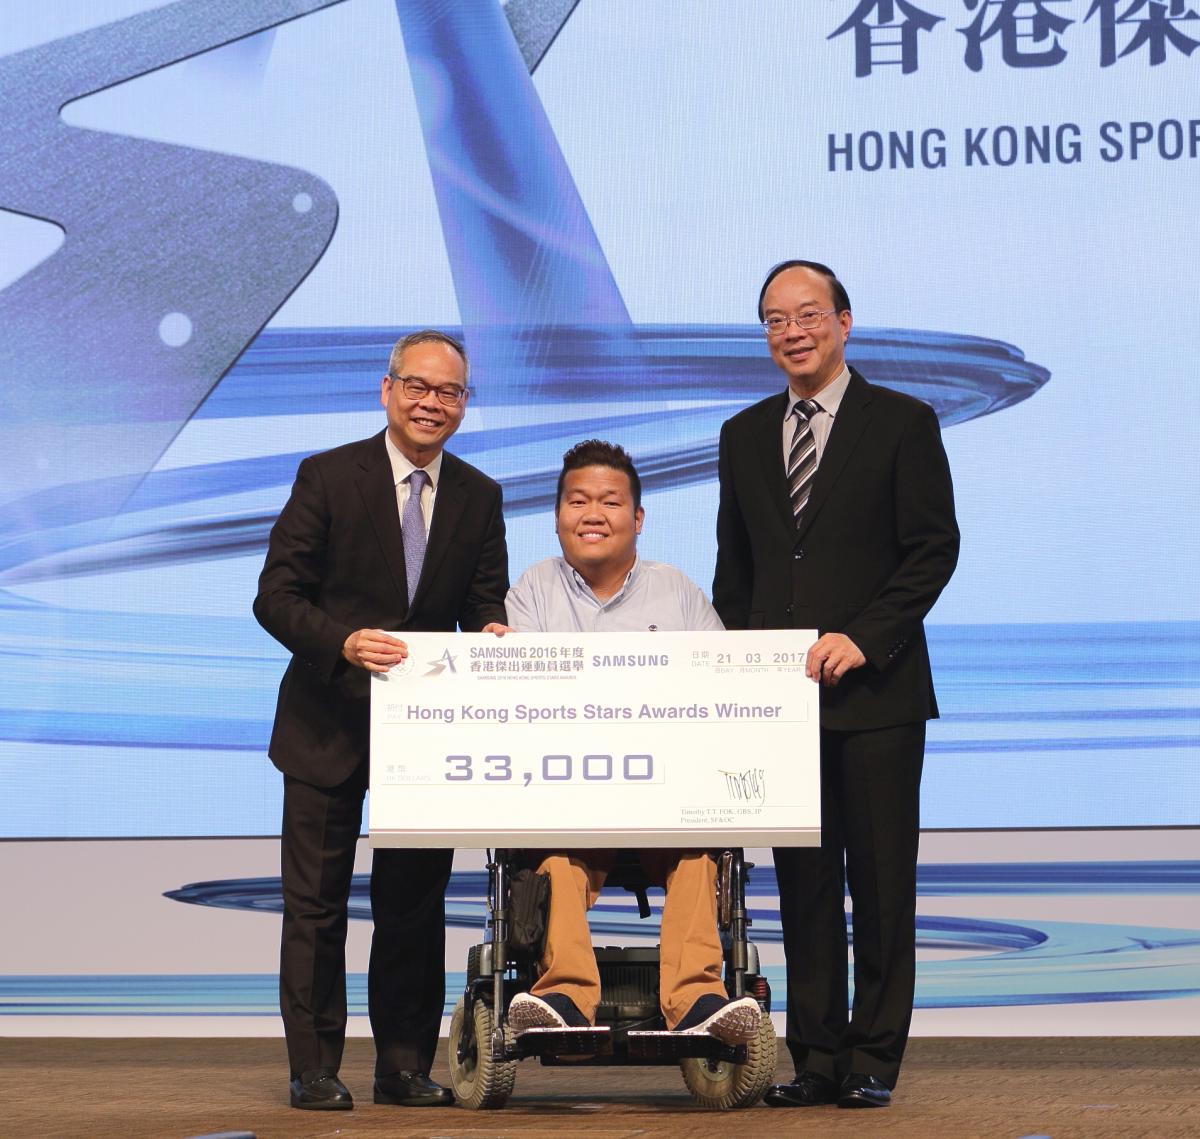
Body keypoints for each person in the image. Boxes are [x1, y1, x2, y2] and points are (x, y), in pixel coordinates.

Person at [713, 261, 959, 1108]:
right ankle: (815, 1055)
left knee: (882, 885)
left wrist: (864, 635)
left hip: (878, 695)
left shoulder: (902, 422)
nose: (793, 331)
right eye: (776, 320)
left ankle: (873, 1059)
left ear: (845, 323)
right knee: (804, 887)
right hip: (781, 706)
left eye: (808, 314)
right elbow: (735, 572)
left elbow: (933, 548)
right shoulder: (743, 433)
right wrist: (744, 670)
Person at [254, 329, 509, 1111]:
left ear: (465, 404)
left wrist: (494, 629)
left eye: (450, 392)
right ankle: (314, 1068)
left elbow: (483, 601)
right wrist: (341, 640)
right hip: (326, 724)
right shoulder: (328, 476)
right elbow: (276, 596)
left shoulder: (479, 493)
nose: (433, 403)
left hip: (424, 739)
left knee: (413, 909)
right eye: (419, 387)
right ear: (388, 389)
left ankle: (403, 1064)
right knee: (317, 905)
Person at [503, 439, 760, 1045]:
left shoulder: (675, 591)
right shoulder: (533, 591)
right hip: (570, 790)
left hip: (666, 793)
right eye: (578, 501)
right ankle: (564, 995)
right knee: (557, 860)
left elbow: (724, 684)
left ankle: (698, 999)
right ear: (558, 515)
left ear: (637, 518)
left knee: (699, 852)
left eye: (611, 501)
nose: (593, 514)